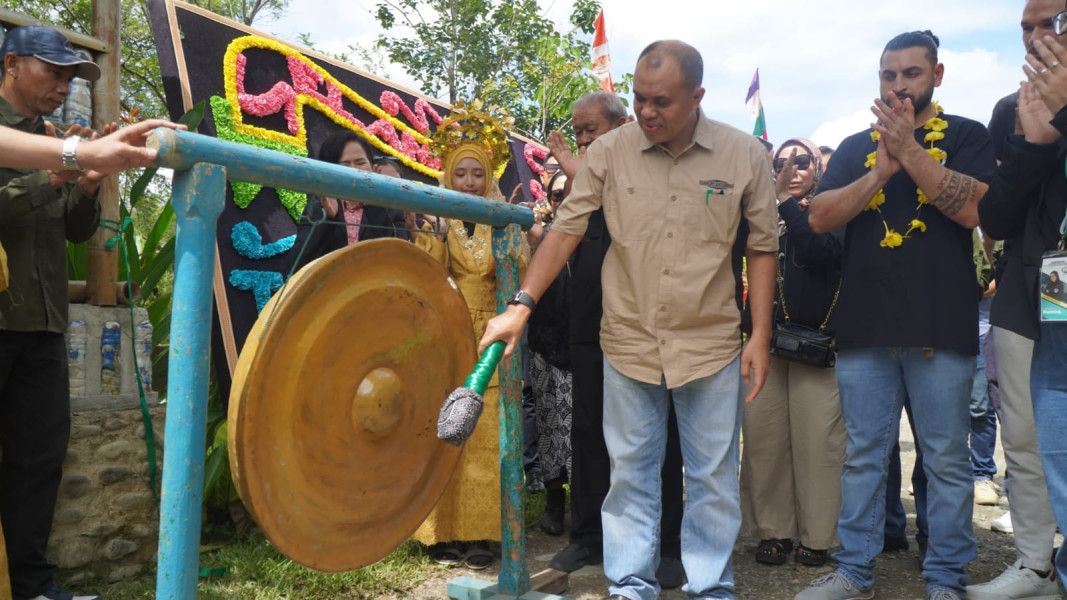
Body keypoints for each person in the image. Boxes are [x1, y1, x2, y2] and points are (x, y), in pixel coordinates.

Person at [481, 41, 779, 600]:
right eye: (639, 98)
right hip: (629, 341)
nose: (646, 112)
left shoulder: (744, 156)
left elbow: (762, 248)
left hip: (710, 344)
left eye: (661, 101)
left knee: (713, 481)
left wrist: (759, 334)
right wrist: (521, 304)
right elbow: (567, 228)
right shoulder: (610, 152)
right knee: (631, 476)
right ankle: (631, 586)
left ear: (697, 97)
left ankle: (711, 586)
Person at [794, 30, 996, 600]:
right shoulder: (858, 144)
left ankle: (946, 576)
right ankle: (855, 570)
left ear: (937, 74)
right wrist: (880, 172)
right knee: (862, 459)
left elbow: (977, 209)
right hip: (865, 330)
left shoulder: (965, 135)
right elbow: (819, 218)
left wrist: (910, 151)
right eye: (889, 75)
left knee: (946, 461)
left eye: (911, 73)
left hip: (941, 326)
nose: (900, 84)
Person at [544, 91, 687, 589]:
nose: (584, 140)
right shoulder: (582, 174)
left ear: (623, 124)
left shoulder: (645, 162)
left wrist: (576, 166)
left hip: (643, 320)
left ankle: (667, 545)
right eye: (579, 132)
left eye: (592, 130)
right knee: (588, 429)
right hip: (589, 316)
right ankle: (588, 536)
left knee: (655, 434)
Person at [0, 25, 115, 600]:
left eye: (71, 76)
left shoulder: (52, 136)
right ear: (13, 63)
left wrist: (87, 186)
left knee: (38, 459)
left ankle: (33, 587)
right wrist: (53, 174)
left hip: (43, 324)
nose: (64, 85)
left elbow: (74, 230)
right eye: (54, 71)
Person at [967, 2, 1065, 597]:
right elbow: (995, 217)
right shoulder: (1012, 108)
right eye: (1026, 27)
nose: (1035, 36)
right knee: (1025, 437)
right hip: (1032, 297)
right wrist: (1031, 145)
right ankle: (1035, 563)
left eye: (1051, 21)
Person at [410, 102, 528, 570]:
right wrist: (434, 236)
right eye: (462, 175)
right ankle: (441, 537)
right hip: (447, 334)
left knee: (486, 436)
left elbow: (519, 273)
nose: (470, 183)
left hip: (493, 332)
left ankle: (484, 536)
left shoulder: (504, 216)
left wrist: (511, 227)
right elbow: (426, 276)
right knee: (445, 431)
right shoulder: (437, 216)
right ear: (448, 176)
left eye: (478, 174)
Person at [739, 139, 845, 568]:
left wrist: (785, 202)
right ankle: (773, 532)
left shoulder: (831, 210)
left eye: (802, 162)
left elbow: (819, 254)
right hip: (763, 344)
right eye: (781, 164)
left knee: (818, 444)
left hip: (816, 348)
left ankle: (817, 537)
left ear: (818, 168)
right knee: (764, 441)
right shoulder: (757, 214)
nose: (792, 169)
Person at [526, 171, 572, 537]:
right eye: (557, 195)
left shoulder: (598, 229)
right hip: (545, 344)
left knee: (587, 433)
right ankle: (554, 502)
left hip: (591, 346)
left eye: (570, 193)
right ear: (548, 200)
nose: (563, 200)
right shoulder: (537, 237)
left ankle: (589, 504)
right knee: (550, 428)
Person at [292, 130, 409, 271]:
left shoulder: (390, 209)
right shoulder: (318, 209)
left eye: (360, 162)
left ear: (372, 166)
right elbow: (297, 262)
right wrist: (330, 218)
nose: (354, 170)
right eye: (345, 165)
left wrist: (376, 202)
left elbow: (400, 259)